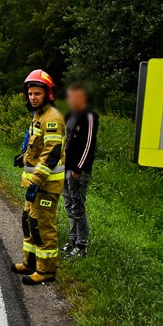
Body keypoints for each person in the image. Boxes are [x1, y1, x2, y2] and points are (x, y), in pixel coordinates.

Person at [11, 70, 66, 285]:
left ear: (47, 94)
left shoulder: (52, 118)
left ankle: (46, 271)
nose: (33, 97)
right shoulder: (38, 116)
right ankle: (31, 262)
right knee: (29, 222)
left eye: (37, 93)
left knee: (42, 226)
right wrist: (23, 157)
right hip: (34, 184)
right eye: (30, 93)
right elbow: (38, 146)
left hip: (45, 186)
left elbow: (51, 154)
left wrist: (35, 182)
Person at [62, 83, 99, 258]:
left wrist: (78, 168)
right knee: (69, 205)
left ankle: (82, 245)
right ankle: (72, 241)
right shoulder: (70, 115)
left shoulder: (89, 116)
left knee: (78, 206)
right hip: (65, 168)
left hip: (78, 171)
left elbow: (88, 144)